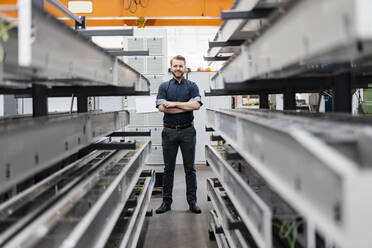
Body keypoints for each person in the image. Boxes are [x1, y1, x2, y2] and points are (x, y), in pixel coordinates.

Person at [155, 55, 203, 214]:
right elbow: (162, 108)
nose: (178, 69)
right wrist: (186, 105)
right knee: (168, 169)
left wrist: (174, 104)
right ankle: (166, 202)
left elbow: (196, 105)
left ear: (185, 67)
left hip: (188, 131)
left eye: (180, 66)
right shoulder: (164, 86)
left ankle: (192, 202)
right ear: (171, 67)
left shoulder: (192, 86)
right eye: (175, 66)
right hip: (169, 131)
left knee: (190, 168)